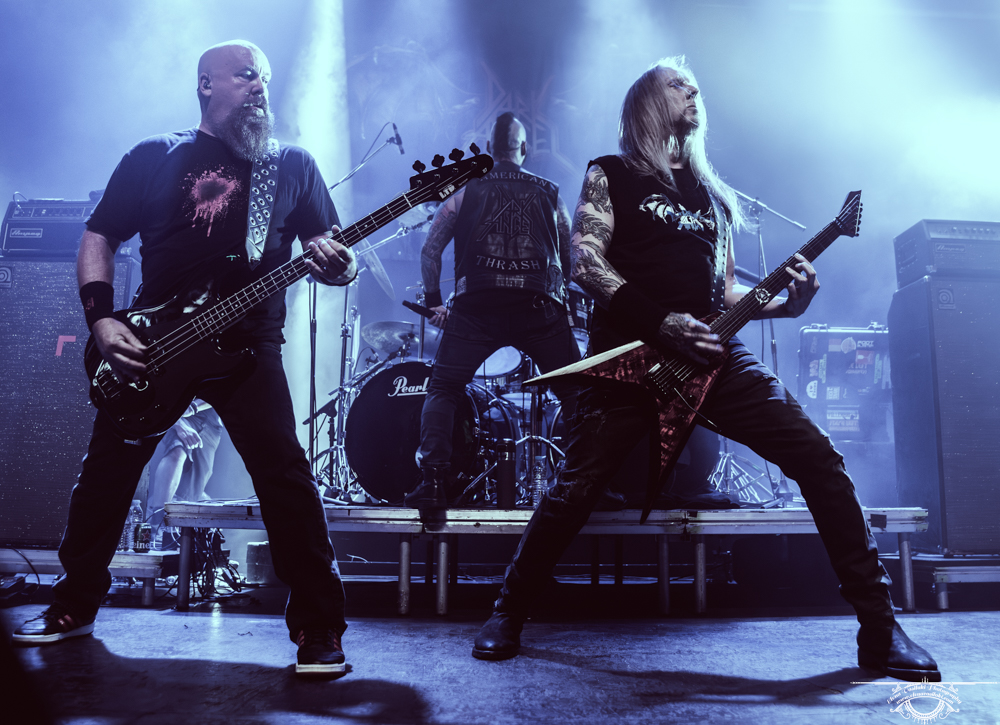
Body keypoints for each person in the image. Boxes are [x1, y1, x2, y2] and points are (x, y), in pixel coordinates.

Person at [472, 57, 940, 683]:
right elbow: (584, 262)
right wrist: (660, 322)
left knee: (819, 458)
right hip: (630, 360)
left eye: (693, 85)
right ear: (646, 102)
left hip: (714, 355)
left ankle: (880, 629)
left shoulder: (713, 198)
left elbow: (724, 295)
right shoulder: (610, 174)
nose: (692, 90)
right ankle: (508, 609)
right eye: (677, 84)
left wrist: (784, 306)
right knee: (575, 489)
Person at [13, 40, 357, 677]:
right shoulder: (153, 155)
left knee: (285, 476)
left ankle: (319, 626)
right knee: (106, 474)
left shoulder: (292, 165)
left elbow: (328, 248)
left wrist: (342, 264)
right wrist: (102, 319)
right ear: (206, 84)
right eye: (246, 75)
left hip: (249, 347)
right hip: (156, 345)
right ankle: (73, 604)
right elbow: (99, 236)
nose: (260, 87)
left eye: (265, 78)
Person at [404, 112, 584, 523]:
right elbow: (569, 260)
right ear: (524, 149)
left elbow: (430, 251)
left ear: (489, 149)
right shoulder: (551, 193)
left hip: (476, 307)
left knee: (444, 388)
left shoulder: (464, 192)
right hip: (538, 307)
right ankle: (587, 481)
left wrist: (435, 302)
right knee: (577, 393)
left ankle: (433, 482)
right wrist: (561, 304)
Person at [145, 399, 225, 535]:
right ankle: (157, 522)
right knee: (177, 451)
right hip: (174, 410)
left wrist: (192, 408)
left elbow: (221, 390)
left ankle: (172, 526)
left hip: (209, 419)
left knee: (193, 488)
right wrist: (177, 421)